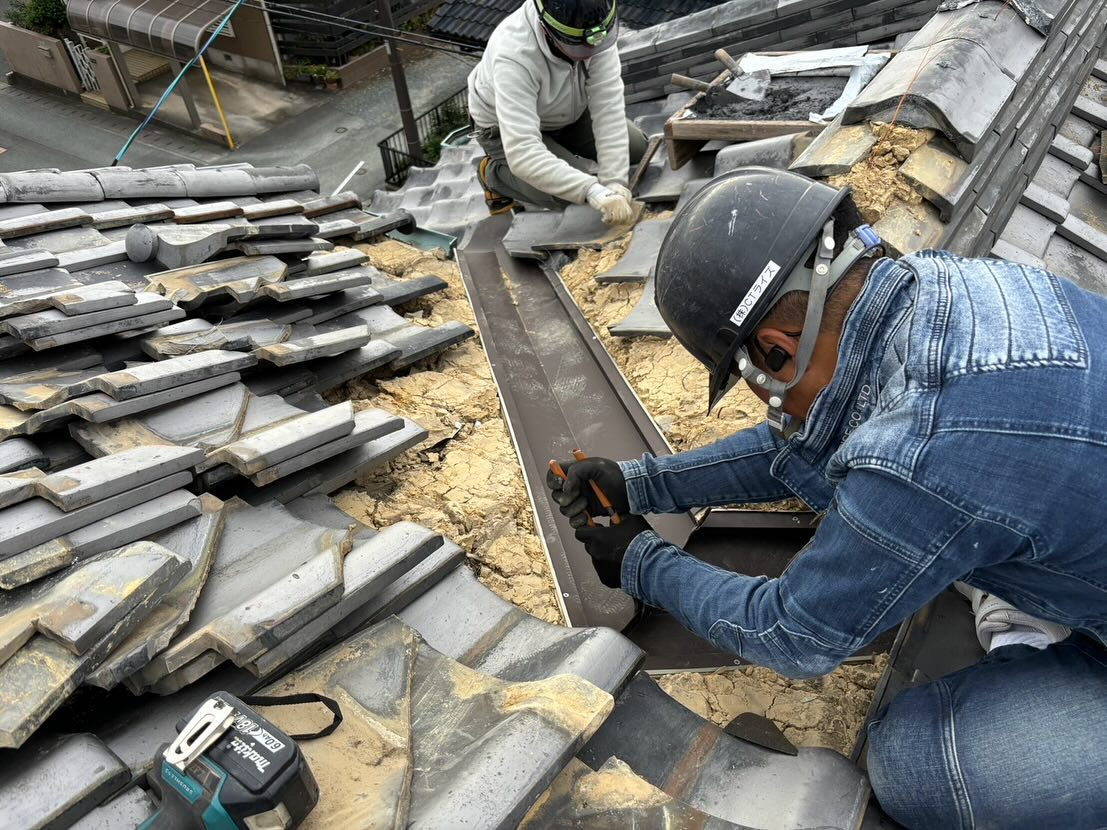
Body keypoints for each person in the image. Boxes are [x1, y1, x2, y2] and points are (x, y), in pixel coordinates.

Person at [546, 167, 1107, 828]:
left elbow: (794, 635)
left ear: (774, 353)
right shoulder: (946, 285)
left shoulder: (926, 447)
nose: (767, 407)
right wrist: (639, 481)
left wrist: (637, 560)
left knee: (914, 759)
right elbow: (811, 442)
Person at [467, 0, 648, 222]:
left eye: (593, 45)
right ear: (547, 29)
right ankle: (492, 175)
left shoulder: (596, 27)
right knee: (569, 195)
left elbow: (608, 107)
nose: (589, 52)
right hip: (504, 127)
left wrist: (615, 183)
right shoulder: (514, 55)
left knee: (638, 149)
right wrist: (592, 190)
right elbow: (523, 150)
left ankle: (561, 150)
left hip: (566, 110)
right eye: (578, 47)